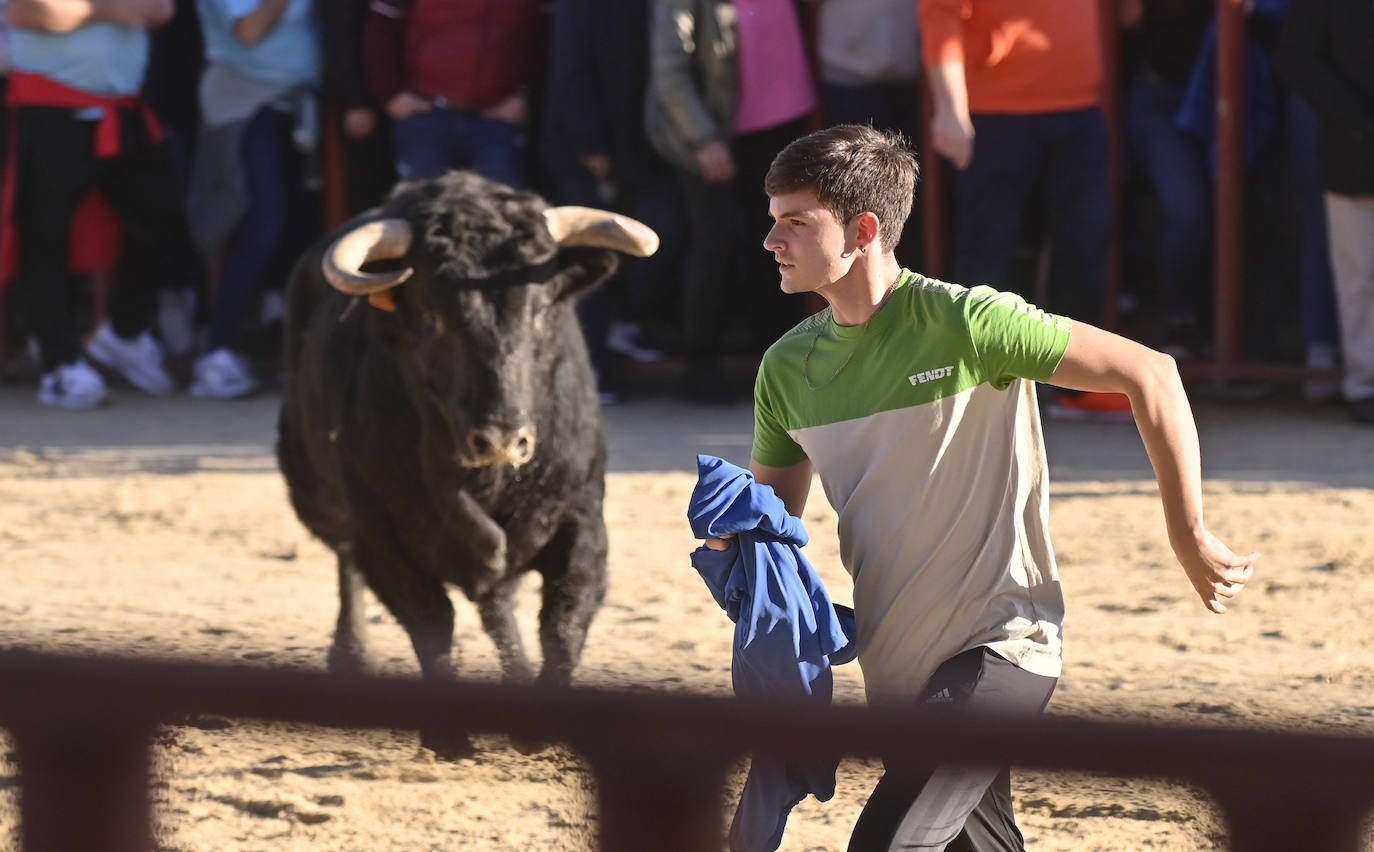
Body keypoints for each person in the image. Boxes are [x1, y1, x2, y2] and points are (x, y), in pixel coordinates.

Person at [706, 124, 1258, 850]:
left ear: (864, 229)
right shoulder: (785, 370)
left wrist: (1186, 530)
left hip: (1006, 650)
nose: (772, 240)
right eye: (773, 220)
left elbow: (1150, 371)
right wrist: (735, 543)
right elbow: (775, 525)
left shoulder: (970, 323)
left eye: (796, 222)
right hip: (898, 673)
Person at [920, 0, 1128, 421]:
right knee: (987, 252)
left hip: (1079, 107)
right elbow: (939, 18)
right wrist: (950, 108)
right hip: (995, 112)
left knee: (1086, 241)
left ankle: (1077, 387)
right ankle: (972, 383)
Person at [4, 0, 189, 407]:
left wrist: (83, 10)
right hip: (50, 106)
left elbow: (160, 11)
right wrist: (110, 10)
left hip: (123, 105)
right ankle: (58, 365)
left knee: (161, 215)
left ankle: (123, 332)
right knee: (44, 236)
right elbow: (28, 13)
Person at [646, 0, 817, 403]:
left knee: (781, 245)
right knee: (715, 246)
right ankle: (701, 367)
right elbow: (669, 73)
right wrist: (704, 139)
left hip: (781, 125)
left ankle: (779, 368)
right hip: (712, 134)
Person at [539, 0, 684, 404]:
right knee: (589, 260)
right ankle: (591, 373)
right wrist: (591, 144)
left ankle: (627, 326)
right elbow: (571, 69)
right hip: (588, 153)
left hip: (637, 149)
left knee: (657, 236)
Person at [186, 0, 321, 398]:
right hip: (242, 104)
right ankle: (216, 349)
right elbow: (249, 30)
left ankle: (288, 350)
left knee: (298, 229)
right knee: (255, 227)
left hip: (297, 106)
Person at [1277, 0, 1374, 425]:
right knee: (1359, 274)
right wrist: (1355, 118)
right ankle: (1365, 385)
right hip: (1354, 147)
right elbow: (1295, 57)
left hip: (1351, 141)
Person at [364, 0, 542, 188]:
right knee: (423, 208)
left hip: (500, 120)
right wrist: (391, 93)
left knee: (503, 209)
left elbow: (548, 33)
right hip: (427, 115)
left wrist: (525, 96)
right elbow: (382, 26)